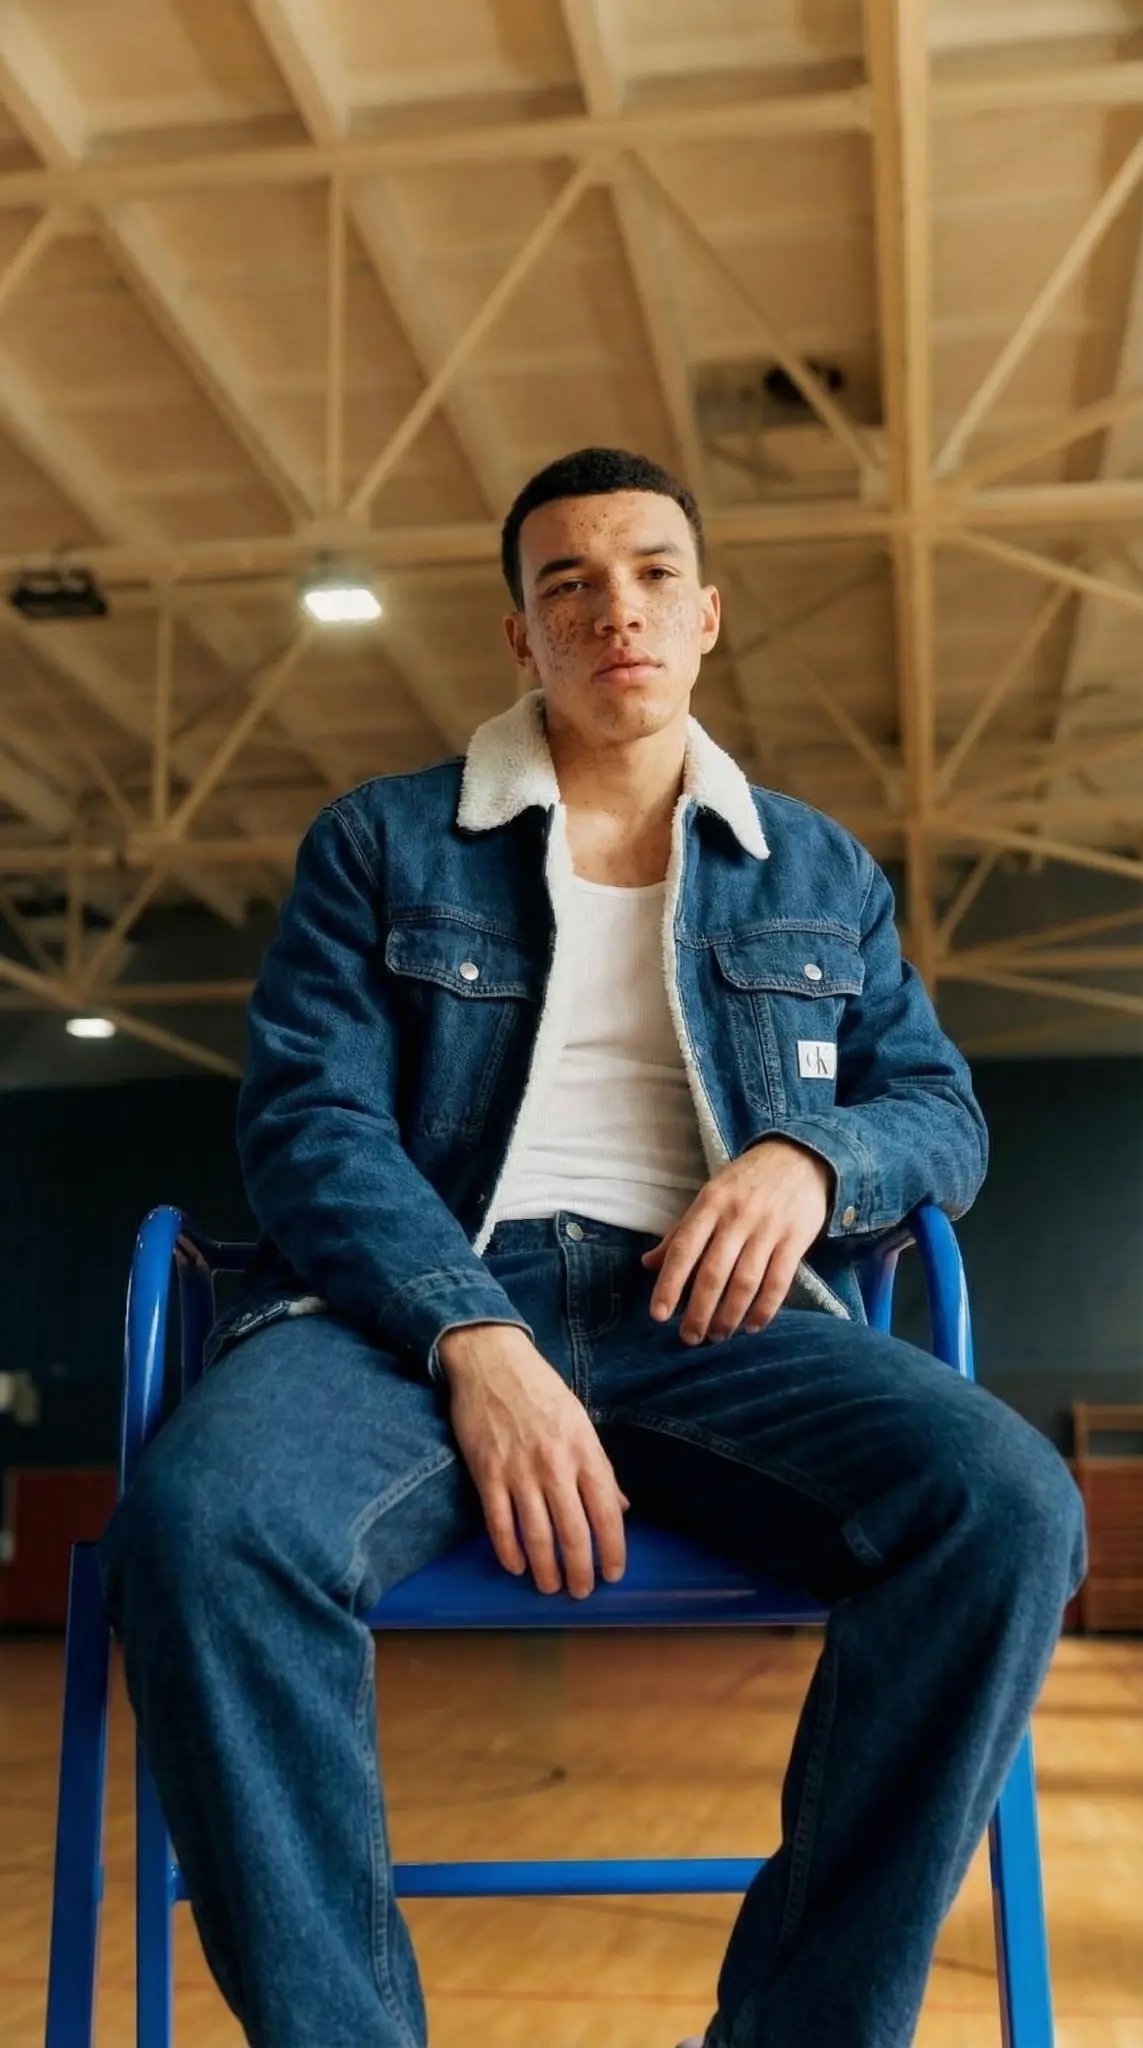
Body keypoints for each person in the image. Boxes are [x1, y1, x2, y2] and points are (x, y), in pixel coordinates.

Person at [98, 446, 1086, 2048]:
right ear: (522, 639)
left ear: (706, 616)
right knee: (202, 1528)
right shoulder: (382, 843)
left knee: (1011, 1507)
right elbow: (308, 1129)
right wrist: (468, 1334)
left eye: (646, 575)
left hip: (719, 1327)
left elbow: (944, 1118)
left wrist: (809, 1158)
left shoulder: (821, 869)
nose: (610, 607)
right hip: (403, 1320)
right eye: (566, 583)